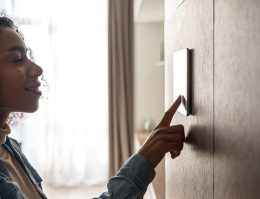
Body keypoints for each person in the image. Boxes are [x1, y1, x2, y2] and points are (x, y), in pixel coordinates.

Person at [0, 15, 185, 199]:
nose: (37, 69)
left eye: (28, 56)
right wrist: (143, 161)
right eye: (17, 59)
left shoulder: (9, 147)